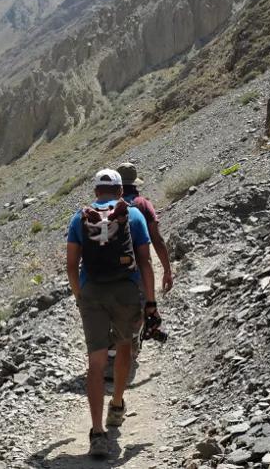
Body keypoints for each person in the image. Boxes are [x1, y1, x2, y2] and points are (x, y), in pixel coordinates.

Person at [66, 168, 152, 459]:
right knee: (125, 345)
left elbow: (70, 265)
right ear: (119, 192)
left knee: (96, 361)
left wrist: (80, 296)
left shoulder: (80, 218)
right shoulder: (133, 215)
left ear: (95, 192)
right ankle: (116, 404)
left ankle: (97, 432)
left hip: (92, 293)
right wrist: (149, 301)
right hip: (125, 291)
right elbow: (145, 262)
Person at [117, 162, 174, 342]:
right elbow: (156, 239)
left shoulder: (109, 206)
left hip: (112, 266)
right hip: (139, 269)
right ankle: (134, 341)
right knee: (143, 306)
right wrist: (166, 270)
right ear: (135, 183)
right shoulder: (142, 204)